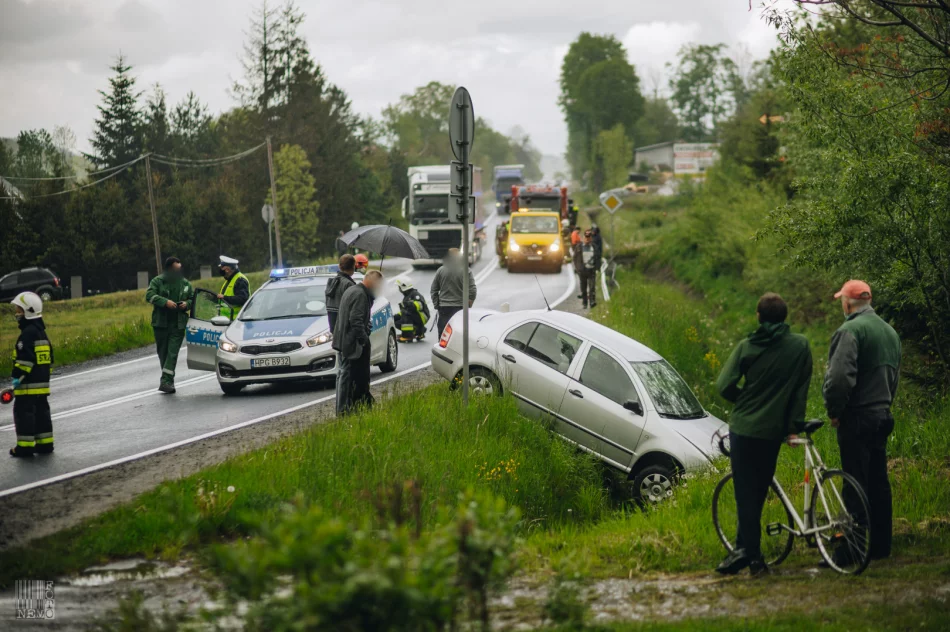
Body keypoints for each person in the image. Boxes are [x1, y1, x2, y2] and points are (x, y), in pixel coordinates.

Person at [714, 293, 812, 576]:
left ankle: (752, 558)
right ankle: (743, 550)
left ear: (759, 316)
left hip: (745, 428)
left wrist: (744, 398)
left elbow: (723, 385)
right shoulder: (800, 346)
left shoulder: (748, 346)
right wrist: (793, 426)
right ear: (784, 317)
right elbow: (799, 392)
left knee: (745, 492)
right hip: (772, 432)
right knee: (757, 490)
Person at [823, 279, 901, 563]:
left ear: (847, 303)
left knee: (854, 482)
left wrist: (835, 410)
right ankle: (881, 547)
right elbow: (895, 376)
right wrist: (885, 403)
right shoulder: (889, 331)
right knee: (879, 482)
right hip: (883, 414)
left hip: (857, 416)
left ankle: (851, 550)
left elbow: (839, 379)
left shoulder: (850, 331)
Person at [8, 292, 54, 457]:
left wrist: (16, 378)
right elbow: (50, 358)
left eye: (19, 310)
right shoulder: (42, 333)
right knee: (42, 414)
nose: (17, 314)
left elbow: (25, 360)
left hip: (27, 385)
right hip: (42, 385)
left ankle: (25, 447)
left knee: (23, 414)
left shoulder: (27, 334)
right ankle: (45, 445)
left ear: (28, 311)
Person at [333, 270, 384, 415]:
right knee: (350, 379)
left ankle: (345, 409)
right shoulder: (360, 295)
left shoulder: (352, 290)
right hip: (352, 344)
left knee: (346, 377)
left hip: (345, 341)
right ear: (372, 282)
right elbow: (355, 320)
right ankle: (345, 412)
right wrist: (364, 339)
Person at [145, 257, 193, 394]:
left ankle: (165, 381)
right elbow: (149, 295)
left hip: (178, 325)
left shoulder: (185, 284)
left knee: (172, 354)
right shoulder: (157, 281)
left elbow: (192, 298)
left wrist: (186, 304)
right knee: (163, 354)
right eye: (176, 269)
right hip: (161, 323)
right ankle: (168, 381)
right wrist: (165, 302)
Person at [431, 248, 477, 336]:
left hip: (444, 309)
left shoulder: (441, 270)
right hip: (461, 308)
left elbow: (434, 290)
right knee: (459, 334)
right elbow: (472, 290)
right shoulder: (466, 271)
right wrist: (469, 304)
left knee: (444, 336)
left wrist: (437, 304)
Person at [326, 254, 357, 333]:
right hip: (347, 329)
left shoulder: (331, 282)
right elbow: (354, 308)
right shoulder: (349, 284)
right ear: (353, 267)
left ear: (339, 266)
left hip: (334, 328)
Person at [573, 230, 600, 309]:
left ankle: (592, 302)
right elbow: (575, 258)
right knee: (583, 288)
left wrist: (597, 267)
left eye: (589, 238)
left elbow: (598, 258)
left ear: (591, 238)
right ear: (583, 238)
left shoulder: (594, 247)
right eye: (586, 238)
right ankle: (584, 303)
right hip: (582, 271)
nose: (587, 239)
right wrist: (578, 268)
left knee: (592, 287)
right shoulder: (579, 247)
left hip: (591, 270)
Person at [216, 256, 249, 320]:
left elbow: (242, 299)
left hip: (237, 321)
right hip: (226, 320)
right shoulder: (229, 280)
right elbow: (224, 299)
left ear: (227, 270)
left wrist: (224, 297)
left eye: (221, 268)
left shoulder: (240, 280)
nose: (220, 270)